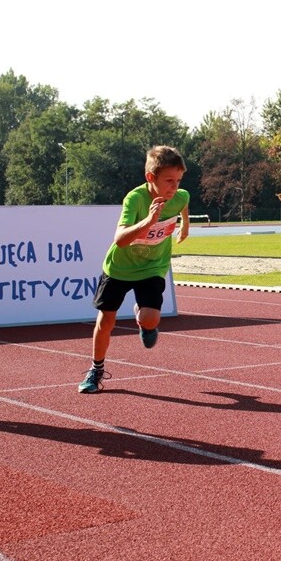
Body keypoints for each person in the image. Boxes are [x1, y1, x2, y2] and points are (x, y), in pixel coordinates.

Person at [78, 145, 190, 393]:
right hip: (119, 268)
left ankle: (143, 318)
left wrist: (185, 226)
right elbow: (120, 239)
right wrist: (149, 221)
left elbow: (184, 202)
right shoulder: (135, 199)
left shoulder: (179, 196)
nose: (175, 187)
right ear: (151, 178)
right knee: (106, 321)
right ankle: (96, 370)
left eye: (178, 180)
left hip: (152, 266)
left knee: (151, 319)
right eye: (169, 181)